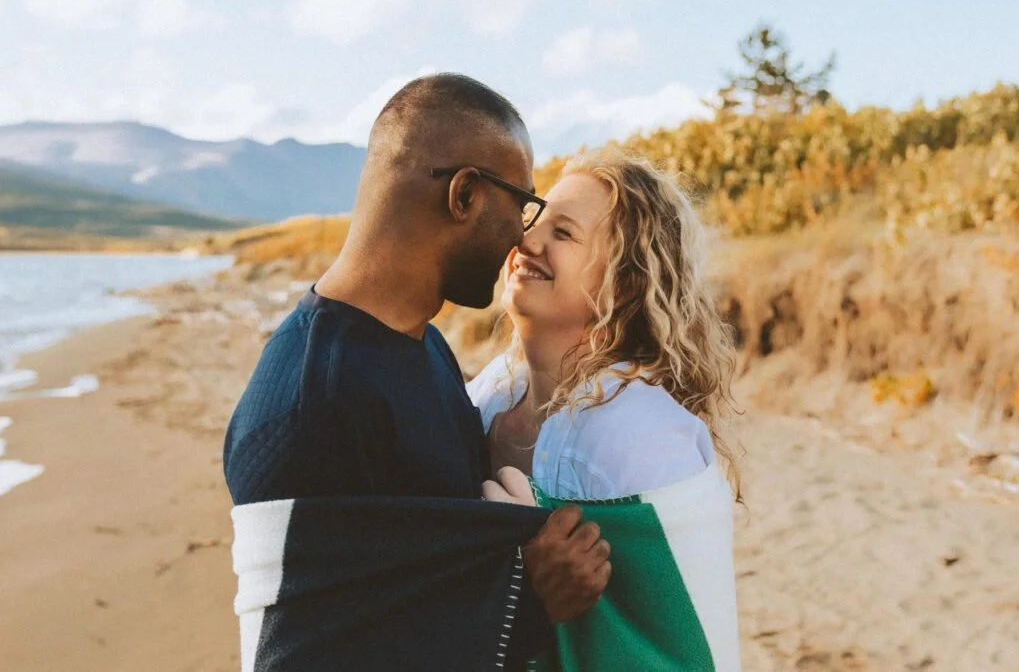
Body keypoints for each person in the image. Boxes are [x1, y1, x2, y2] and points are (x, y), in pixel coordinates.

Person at [222, 73, 610, 670]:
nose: (522, 238)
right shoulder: (309, 409)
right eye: (524, 206)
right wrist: (529, 601)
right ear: (464, 195)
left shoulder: (423, 345)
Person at [470, 149, 742, 669]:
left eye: (564, 234)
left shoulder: (645, 435)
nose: (526, 241)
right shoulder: (488, 394)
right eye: (535, 219)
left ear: (623, 284)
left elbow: (682, 645)